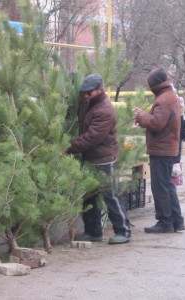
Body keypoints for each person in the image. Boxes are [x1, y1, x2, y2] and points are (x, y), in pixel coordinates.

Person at [67, 73, 131, 244]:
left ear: (100, 90)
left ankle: (123, 231)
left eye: (89, 93)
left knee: (111, 195)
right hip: (90, 157)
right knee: (88, 196)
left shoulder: (104, 110)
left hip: (104, 159)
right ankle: (93, 231)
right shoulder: (89, 103)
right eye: (84, 93)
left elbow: (91, 137)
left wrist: (67, 147)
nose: (86, 96)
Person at [133, 68, 185, 233]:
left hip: (161, 150)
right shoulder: (171, 97)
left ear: (155, 85)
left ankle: (165, 222)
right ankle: (177, 221)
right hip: (168, 149)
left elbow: (157, 123)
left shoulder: (163, 100)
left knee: (160, 187)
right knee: (168, 185)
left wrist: (141, 116)